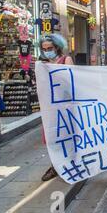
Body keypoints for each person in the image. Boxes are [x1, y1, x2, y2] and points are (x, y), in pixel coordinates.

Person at [39, 34, 74, 182]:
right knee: (52, 136)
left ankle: (69, 164)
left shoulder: (66, 60)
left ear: (57, 47)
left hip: (64, 105)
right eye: (44, 49)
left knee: (66, 135)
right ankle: (55, 165)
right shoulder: (42, 64)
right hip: (49, 107)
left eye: (50, 48)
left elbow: (71, 80)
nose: (47, 51)